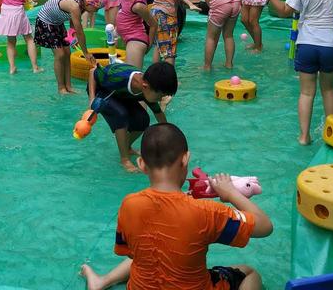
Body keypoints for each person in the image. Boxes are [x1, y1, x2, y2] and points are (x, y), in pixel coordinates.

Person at [81, 123, 273, 289]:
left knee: (145, 251)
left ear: (141, 164)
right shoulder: (207, 212)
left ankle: (102, 281)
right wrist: (231, 193)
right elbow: (265, 226)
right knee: (249, 273)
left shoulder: (128, 204)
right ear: (185, 158)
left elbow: (131, 252)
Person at [267, 0, 333, 145]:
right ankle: (332, 135)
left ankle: (303, 137)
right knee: (329, 90)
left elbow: (284, 11)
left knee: (306, 92)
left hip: (307, 45)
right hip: (331, 45)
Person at [87, 62, 178, 173]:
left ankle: (127, 148)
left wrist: (169, 140)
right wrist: (91, 99)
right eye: (161, 96)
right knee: (121, 115)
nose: (160, 100)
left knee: (143, 120)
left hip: (121, 95)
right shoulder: (118, 77)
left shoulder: (149, 86)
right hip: (102, 92)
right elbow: (93, 72)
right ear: (145, 87)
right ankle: (124, 159)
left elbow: (158, 114)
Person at [34, 0, 107, 94]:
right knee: (60, 55)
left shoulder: (81, 6)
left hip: (57, 22)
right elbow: (80, 31)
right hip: (45, 21)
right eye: (97, 8)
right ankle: (61, 88)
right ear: (89, 2)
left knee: (67, 53)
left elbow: (74, 25)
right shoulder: (74, 6)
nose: (96, 11)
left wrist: (73, 36)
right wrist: (86, 53)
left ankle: (69, 86)